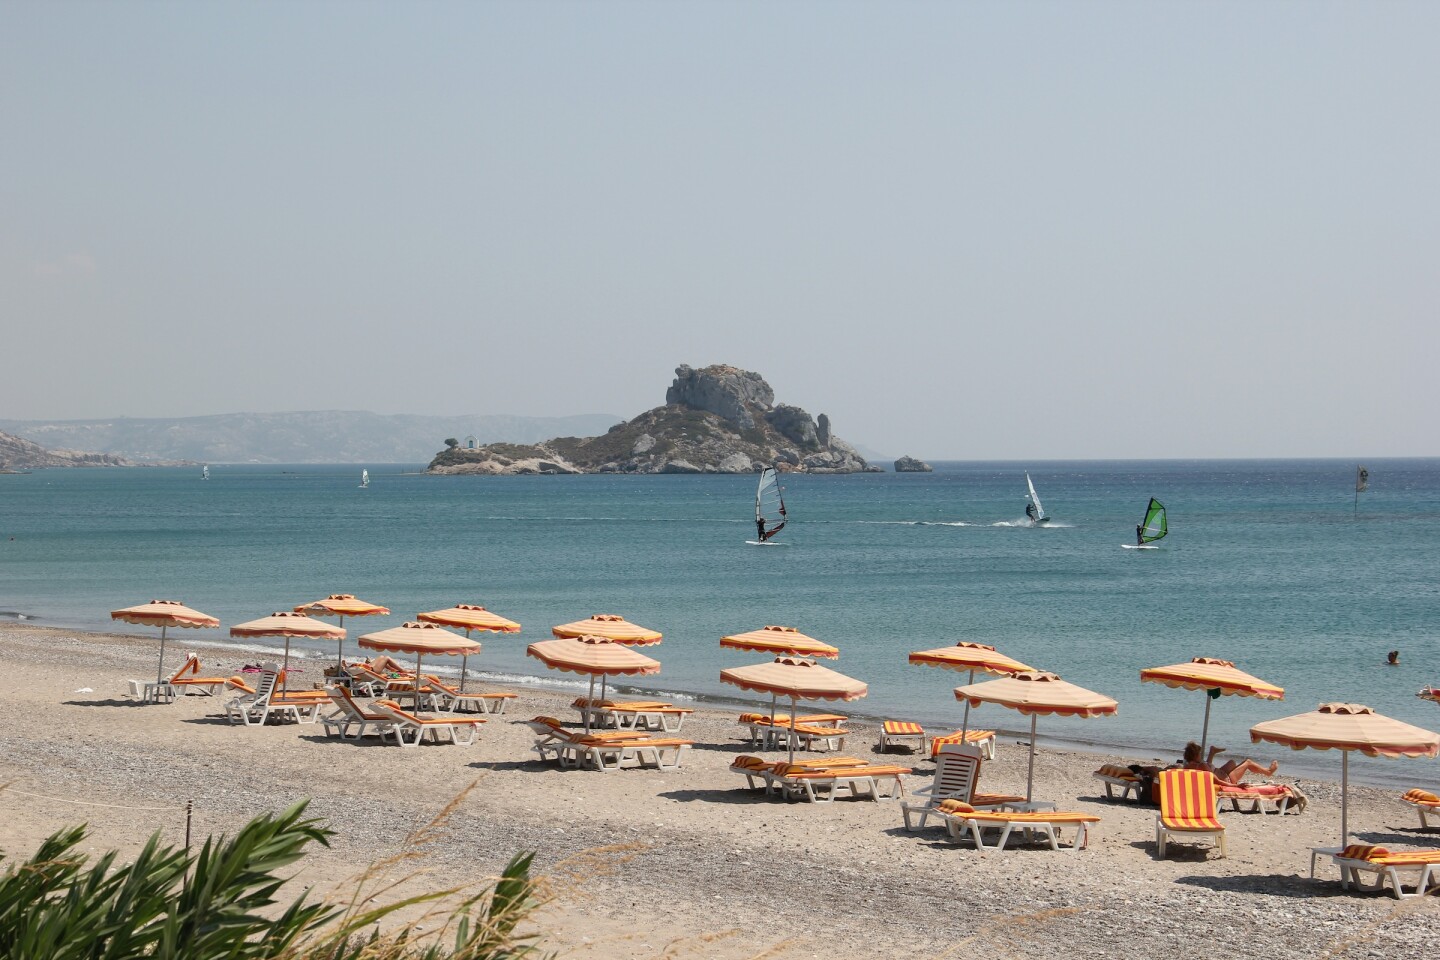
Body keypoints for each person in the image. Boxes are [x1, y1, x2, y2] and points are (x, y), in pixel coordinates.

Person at [1182, 741, 1277, 784]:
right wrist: (1233, 786)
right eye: (1199, 753)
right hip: (1227, 780)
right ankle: (1268, 771)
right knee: (1248, 762)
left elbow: (1208, 773)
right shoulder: (1201, 765)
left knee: (1232, 762)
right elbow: (1214, 779)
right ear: (1195, 755)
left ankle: (1212, 752)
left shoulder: (1188, 765)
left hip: (1219, 773)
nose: (1200, 755)